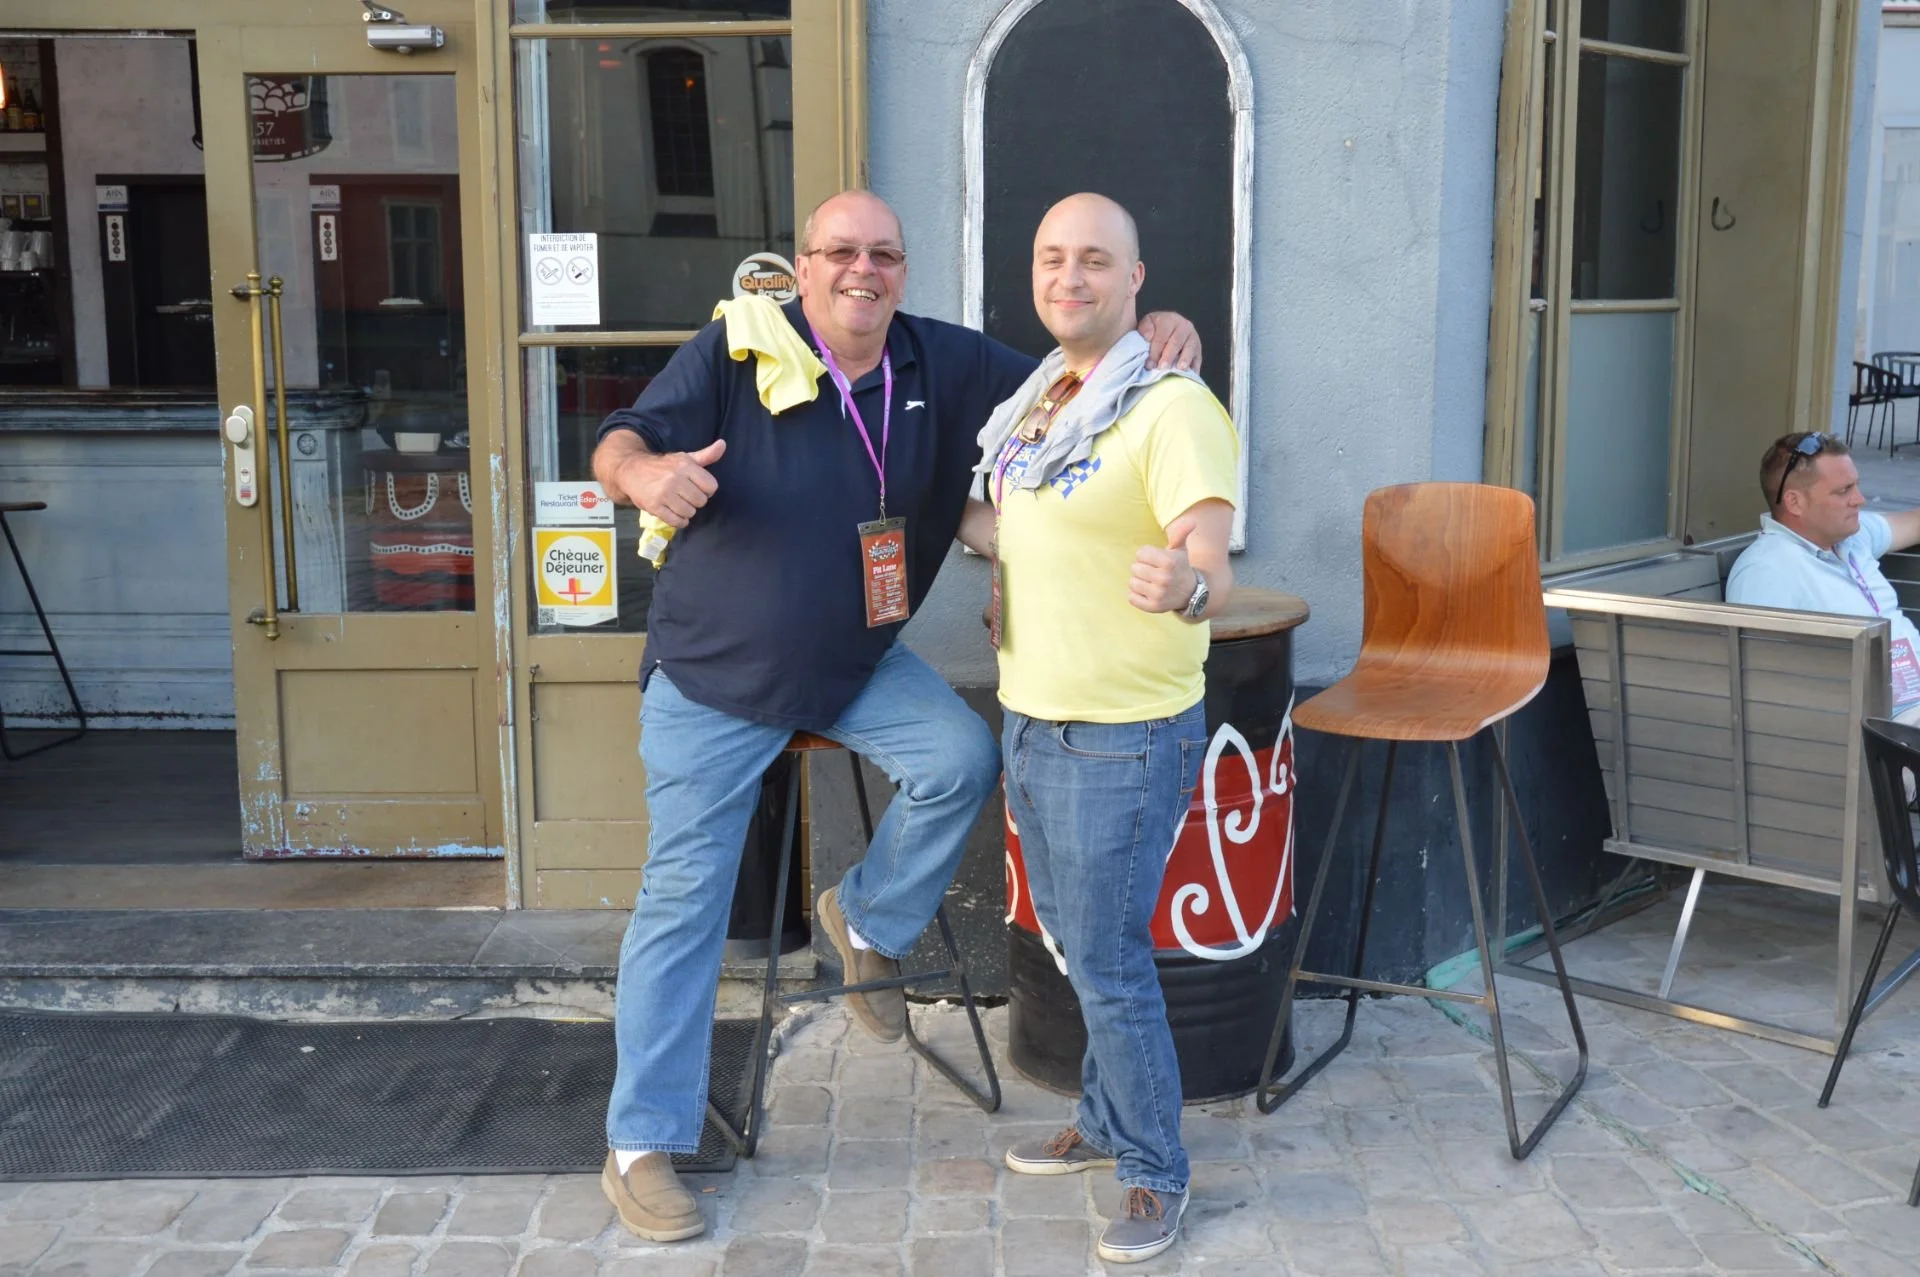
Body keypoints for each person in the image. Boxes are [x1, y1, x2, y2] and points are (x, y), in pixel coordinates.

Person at [587, 189, 1201, 1243]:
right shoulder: (739, 347)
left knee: (961, 753)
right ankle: (641, 1145)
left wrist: (1159, 331)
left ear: (902, 271)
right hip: (715, 675)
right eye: (839, 252)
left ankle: (865, 917)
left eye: (882, 253)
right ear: (802, 264)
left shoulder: (941, 361)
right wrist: (647, 475)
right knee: (683, 903)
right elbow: (617, 439)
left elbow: (1076, 377)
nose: (860, 270)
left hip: (857, 659)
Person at [955, 193, 1238, 1265]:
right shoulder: (1043, 402)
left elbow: (1211, 562)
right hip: (1034, 717)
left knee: (1111, 960)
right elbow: (1011, 522)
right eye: (1052, 259)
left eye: (1094, 261)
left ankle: (1154, 1169)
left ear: (1135, 279)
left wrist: (1185, 586)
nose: (1069, 277)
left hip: (1122, 733)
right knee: (1080, 946)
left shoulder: (1172, 407)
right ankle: (1110, 1119)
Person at [1726, 432, 1920, 723]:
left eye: (1857, 485)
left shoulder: (1852, 536)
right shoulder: (1767, 572)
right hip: (1886, 734)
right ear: (1794, 502)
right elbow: (1762, 691)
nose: (1860, 499)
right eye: (1843, 491)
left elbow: (1913, 523)